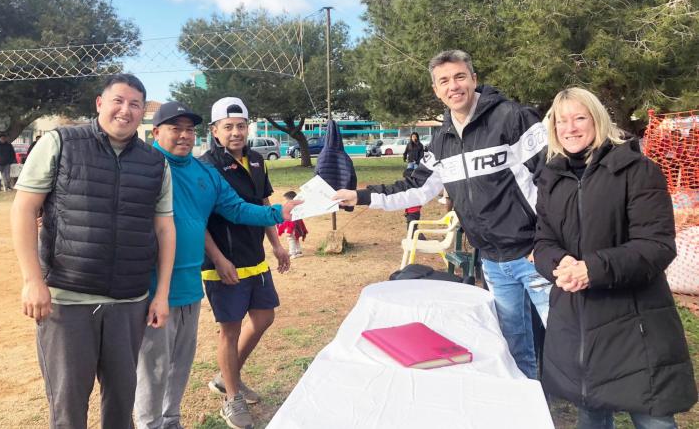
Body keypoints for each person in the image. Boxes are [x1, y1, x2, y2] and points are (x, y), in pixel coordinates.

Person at [335, 49, 552, 379]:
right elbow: (417, 187)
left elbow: (551, 178)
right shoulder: (441, 139)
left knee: (566, 337)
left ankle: (585, 403)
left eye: (460, 77)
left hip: (536, 253)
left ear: (474, 79)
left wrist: (549, 238)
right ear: (436, 90)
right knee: (515, 348)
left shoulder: (512, 117)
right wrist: (360, 196)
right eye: (444, 81)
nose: (454, 86)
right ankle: (531, 401)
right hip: (493, 261)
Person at [10, 74, 176, 429]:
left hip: (129, 301)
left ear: (143, 113)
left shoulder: (155, 163)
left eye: (135, 104)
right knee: (68, 406)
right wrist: (32, 281)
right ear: (100, 103)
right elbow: (24, 208)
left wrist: (161, 294)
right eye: (118, 100)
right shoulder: (60, 143)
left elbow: (165, 228)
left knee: (121, 401)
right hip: (68, 300)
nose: (125, 110)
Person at [534, 87, 697, 428]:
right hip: (579, 321)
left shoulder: (637, 170)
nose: (570, 128)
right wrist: (558, 263)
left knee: (652, 419)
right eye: (561, 121)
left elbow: (656, 246)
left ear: (597, 120)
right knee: (591, 413)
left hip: (635, 323)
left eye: (580, 118)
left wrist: (592, 269)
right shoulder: (551, 177)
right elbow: (544, 240)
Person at [133, 102, 298, 429]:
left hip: (189, 283)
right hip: (152, 285)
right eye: (175, 129)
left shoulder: (203, 172)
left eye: (188, 129)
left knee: (180, 363)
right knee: (153, 367)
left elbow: (236, 208)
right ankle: (150, 424)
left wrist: (278, 213)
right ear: (156, 132)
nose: (184, 135)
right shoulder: (145, 166)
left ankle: (171, 421)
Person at [199, 97, 292, 429]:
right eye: (228, 127)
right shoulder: (206, 166)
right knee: (231, 329)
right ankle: (231, 397)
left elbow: (264, 203)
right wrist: (218, 258)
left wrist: (277, 245)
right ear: (215, 131)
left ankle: (227, 378)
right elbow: (199, 220)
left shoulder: (256, 159)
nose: (236, 132)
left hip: (255, 257)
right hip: (223, 262)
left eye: (241, 126)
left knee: (264, 317)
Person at [277, 190, 308, 258]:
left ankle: (292, 253)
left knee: (290, 239)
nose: (284, 202)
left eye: (285, 200)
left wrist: (289, 230)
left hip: (291, 227)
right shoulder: (296, 207)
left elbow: (290, 221)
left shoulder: (290, 208)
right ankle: (298, 251)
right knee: (295, 238)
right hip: (295, 227)